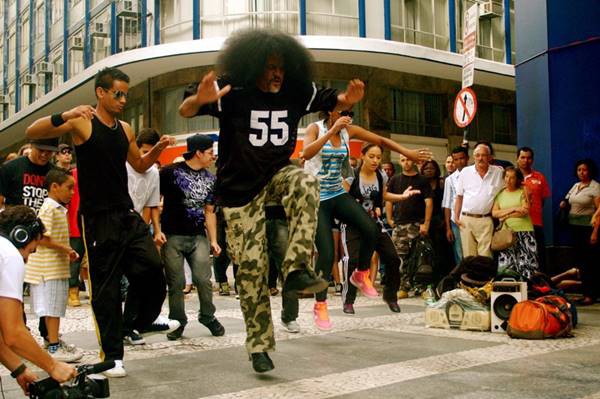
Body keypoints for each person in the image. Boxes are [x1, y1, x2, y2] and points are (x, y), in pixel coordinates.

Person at [179, 28, 364, 373]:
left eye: (281, 67)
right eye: (269, 67)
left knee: (306, 181)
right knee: (251, 272)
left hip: (278, 175)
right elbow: (187, 108)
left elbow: (331, 100)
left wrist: (348, 100)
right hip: (239, 191)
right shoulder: (234, 90)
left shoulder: (296, 91)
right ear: (252, 67)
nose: (276, 73)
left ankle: (295, 269)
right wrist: (201, 98)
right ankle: (259, 345)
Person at [25, 67, 178, 378]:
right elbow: (33, 132)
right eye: (117, 94)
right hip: (97, 218)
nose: (123, 99)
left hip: (126, 213)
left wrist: (159, 150)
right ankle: (112, 356)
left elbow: (138, 163)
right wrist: (63, 114)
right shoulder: (82, 121)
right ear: (101, 93)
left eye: (125, 94)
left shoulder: (125, 129)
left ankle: (138, 321)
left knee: (151, 268)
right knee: (105, 290)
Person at [304, 111, 430, 328]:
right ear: (331, 111)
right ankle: (327, 303)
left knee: (377, 238)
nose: (349, 118)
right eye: (344, 112)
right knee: (328, 254)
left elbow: (380, 140)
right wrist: (332, 131)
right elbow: (306, 153)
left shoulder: (352, 137)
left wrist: (406, 152)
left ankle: (365, 278)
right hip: (318, 199)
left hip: (347, 201)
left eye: (351, 114)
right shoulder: (317, 131)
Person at [0, 205, 77, 395]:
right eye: (31, 252)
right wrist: (53, 366)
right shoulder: (9, 255)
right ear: (21, 236)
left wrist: (19, 369)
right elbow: (14, 333)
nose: (27, 260)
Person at [160, 134, 225, 340]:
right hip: (172, 235)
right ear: (198, 152)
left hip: (198, 237)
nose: (212, 156)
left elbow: (209, 211)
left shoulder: (211, 179)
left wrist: (213, 240)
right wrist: (155, 229)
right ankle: (177, 321)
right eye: (209, 152)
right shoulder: (169, 172)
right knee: (176, 283)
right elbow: (154, 200)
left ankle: (208, 316)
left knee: (203, 280)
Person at [24, 169, 83, 362]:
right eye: (69, 188)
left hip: (52, 267)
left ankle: (53, 341)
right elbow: (42, 236)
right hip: (47, 269)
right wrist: (66, 249)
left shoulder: (55, 207)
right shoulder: (50, 208)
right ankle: (54, 345)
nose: (72, 193)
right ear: (54, 187)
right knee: (53, 308)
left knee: (53, 307)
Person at [342, 144, 402, 314]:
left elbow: (383, 196)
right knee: (352, 261)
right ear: (362, 156)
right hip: (352, 224)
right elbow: (341, 196)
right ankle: (348, 300)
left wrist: (401, 197)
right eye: (371, 156)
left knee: (393, 258)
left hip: (373, 223)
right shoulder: (352, 175)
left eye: (378, 157)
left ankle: (390, 296)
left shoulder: (381, 175)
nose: (375, 160)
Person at [386, 154, 431, 298]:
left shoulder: (422, 180)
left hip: (417, 224)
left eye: (409, 159)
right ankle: (403, 288)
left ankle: (421, 288)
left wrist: (426, 223)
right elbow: (388, 200)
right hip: (399, 225)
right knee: (400, 258)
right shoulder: (394, 179)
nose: (406, 163)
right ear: (400, 161)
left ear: (414, 161)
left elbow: (429, 202)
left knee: (420, 257)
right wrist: (389, 219)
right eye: (403, 160)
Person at [560, 159, 600, 305]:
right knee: (581, 263)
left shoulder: (595, 187)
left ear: (590, 171)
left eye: (584, 170)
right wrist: (564, 202)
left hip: (587, 229)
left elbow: (599, 211)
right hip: (574, 228)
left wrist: (595, 232)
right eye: (579, 170)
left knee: (590, 263)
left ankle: (592, 294)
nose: (581, 173)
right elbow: (568, 198)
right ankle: (584, 292)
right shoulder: (576, 185)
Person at [454, 143, 504, 258]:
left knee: (485, 256)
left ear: (490, 157)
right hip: (466, 219)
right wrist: (456, 217)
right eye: (477, 155)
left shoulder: (498, 172)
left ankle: (485, 277)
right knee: (469, 256)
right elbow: (459, 196)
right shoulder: (465, 172)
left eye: (484, 155)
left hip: (486, 220)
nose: (480, 158)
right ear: (473, 157)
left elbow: (504, 193)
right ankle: (471, 277)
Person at [492, 167, 539, 279]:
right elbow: (494, 213)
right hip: (506, 233)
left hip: (524, 231)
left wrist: (506, 215)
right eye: (507, 177)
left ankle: (529, 288)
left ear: (517, 179)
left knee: (527, 262)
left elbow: (524, 211)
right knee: (507, 263)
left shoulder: (523, 191)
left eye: (512, 177)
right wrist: (514, 208)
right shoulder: (500, 194)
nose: (509, 180)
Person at [516, 147, 551, 273]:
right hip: (516, 223)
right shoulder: (511, 177)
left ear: (533, 160)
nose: (526, 160)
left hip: (535, 222)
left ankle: (540, 285)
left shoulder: (540, 177)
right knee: (518, 255)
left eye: (529, 158)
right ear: (517, 159)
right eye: (523, 157)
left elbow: (542, 200)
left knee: (537, 256)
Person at [421, 159, 453, 281]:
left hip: (441, 222)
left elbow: (447, 203)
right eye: (426, 168)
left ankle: (443, 279)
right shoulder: (420, 184)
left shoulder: (442, 183)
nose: (429, 170)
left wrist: (446, 222)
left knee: (442, 252)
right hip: (425, 221)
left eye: (432, 168)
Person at [442, 146, 469, 265]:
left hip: (472, 218)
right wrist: (448, 228)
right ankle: (461, 280)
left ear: (467, 158)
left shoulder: (474, 174)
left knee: (473, 252)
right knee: (459, 252)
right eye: (456, 159)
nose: (459, 162)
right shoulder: (450, 180)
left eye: (461, 158)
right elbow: (447, 204)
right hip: (455, 222)